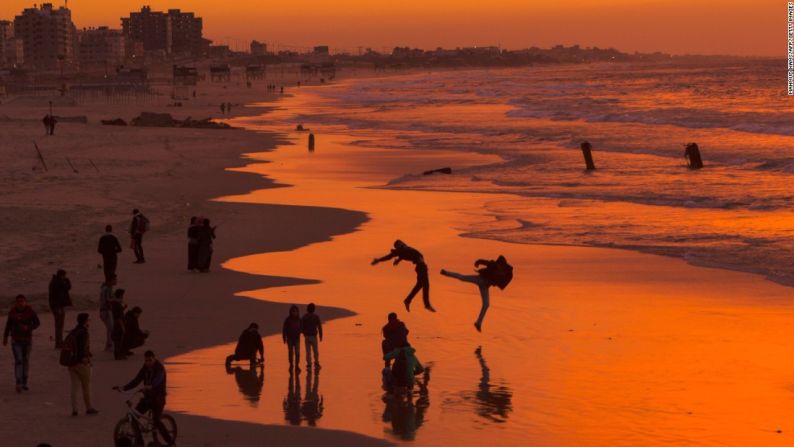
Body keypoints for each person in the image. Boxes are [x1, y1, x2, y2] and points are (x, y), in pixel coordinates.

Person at [114, 351, 174, 447]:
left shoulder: (160, 368)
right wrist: (123, 388)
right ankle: (140, 443)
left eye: (150, 360)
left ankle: (170, 442)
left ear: (154, 359)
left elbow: (158, 379)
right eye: (146, 360)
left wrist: (151, 386)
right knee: (133, 417)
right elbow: (137, 380)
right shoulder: (145, 368)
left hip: (158, 398)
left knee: (156, 421)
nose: (148, 362)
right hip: (147, 398)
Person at [441, 255, 513, 332]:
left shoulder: (505, 271)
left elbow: (505, 279)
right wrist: (478, 261)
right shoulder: (494, 264)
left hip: (485, 286)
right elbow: (486, 262)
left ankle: (478, 323)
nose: (498, 263)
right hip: (479, 279)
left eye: (499, 263)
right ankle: (446, 273)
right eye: (498, 263)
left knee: (486, 305)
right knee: (462, 278)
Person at [372, 240, 435, 312]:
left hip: (421, 267)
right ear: (398, 246)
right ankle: (425, 304)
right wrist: (379, 260)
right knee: (425, 285)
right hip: (421, 267)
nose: (402, 243)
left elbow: (406, 254)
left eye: (401, 242)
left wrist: (399, 260)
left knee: (420, 285)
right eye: (400, 243)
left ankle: (408, 300)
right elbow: (389, 257)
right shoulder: (399, 250)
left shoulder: (403, 250)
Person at [3, 294, 40, 392]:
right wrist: (5, 337)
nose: (20, 303)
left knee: (26, 360)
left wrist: (28, 328)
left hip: (27, 340)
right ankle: (18, 382)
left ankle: (24, 382)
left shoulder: (30, 311)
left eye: (22, 301)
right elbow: (8, 325)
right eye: (18, 301)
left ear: (25, 302)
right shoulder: (13, 312)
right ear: (16, 303)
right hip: (16, 340)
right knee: (18, 360)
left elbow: (37, 323)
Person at [67, 313, 98, 416]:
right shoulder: (84, 332)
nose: (89, 321)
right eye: (88, 320)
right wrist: (86, 358)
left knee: (74, 387)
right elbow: (84, 348)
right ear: (85, 321)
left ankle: (75, 409)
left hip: (71, 363)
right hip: (82, 362)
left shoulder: (73, 331)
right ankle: (88, 407)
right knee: (86, 386)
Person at [48, 269, 72, 349]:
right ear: (62, 275)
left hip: (57, 306)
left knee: (59, 325)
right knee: (59, 325)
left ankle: (59, 342)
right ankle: (59, 343)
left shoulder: (55, 282)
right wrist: (67, 280)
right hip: (58, 306)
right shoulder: (58, 282)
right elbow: (68, 287)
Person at [301, 303, 322, 370]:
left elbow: (301, 326)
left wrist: (303, 332)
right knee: (315, 351)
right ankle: (316, 363)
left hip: (307, 336)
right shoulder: (316, 316)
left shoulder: (304, 316)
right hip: (313, 336)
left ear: (307, 309)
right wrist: (321, 335)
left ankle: (309, 364)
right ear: (314, 309)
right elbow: (319, 326)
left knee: (308, 351)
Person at [99, 275, 117, 351]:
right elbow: (107, 300)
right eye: (115, 279)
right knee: (110, 329)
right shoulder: (107, 289)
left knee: (109, 328)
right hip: (106, 310)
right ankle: (109, 346)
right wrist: (117, 300)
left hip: (104, 310)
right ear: (111, 280)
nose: (116, 281)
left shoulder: (105, 288)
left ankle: (108, 345)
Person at [282, 305, 302, 373]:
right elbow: (284, 329)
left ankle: (297, 366)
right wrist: (284, 337)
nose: (294, 313)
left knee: (297, 353)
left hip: (297, 339)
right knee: (290, 353)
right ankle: (291, 365)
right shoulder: (287, 319)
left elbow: (302, 328)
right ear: (290, 312)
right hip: (290, 339)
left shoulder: (299, 319)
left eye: (296, 311)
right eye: (293, 311)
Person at [111, 289, 128, 360]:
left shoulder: (115, 304)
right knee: (118, 340)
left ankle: (118, 355)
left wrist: (123, 308)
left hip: (116, 323)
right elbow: (118, 317)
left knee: (117, 340)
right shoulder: (117, 304)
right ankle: (118, 355)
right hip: (118, 324)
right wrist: (123, 326)